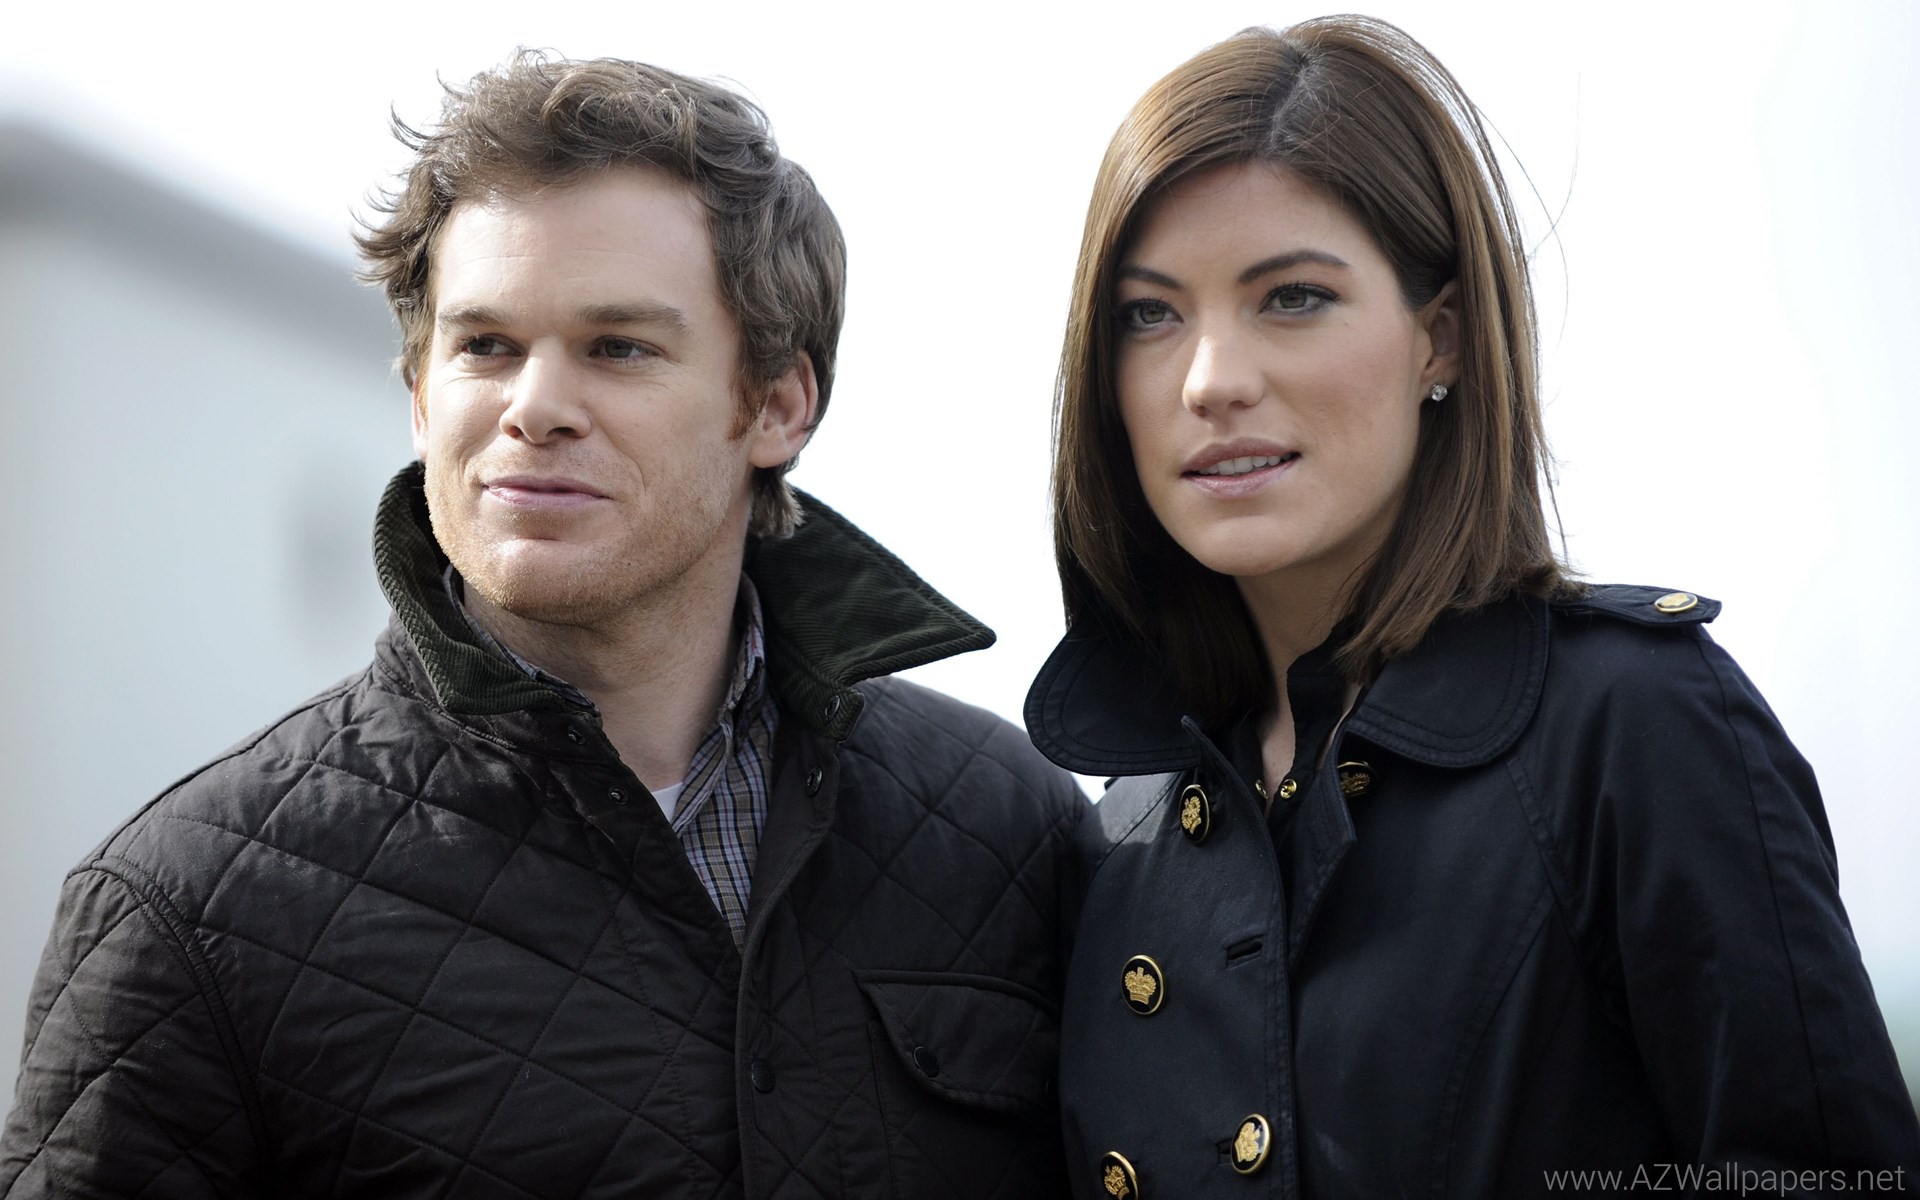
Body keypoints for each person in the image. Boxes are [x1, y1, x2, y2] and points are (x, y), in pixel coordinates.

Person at [0, 52, 1081, 1197]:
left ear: (776, 404)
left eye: (618, 347)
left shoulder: (1009, 828)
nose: (536, 408)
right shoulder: (192, 905)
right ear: (421, 398)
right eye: (485, 347)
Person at [1023, 16, 1920, 1196]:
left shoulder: (1637, 725)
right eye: (1150, 314)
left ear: (1438, 338)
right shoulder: (1112, 841)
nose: (1211, 380)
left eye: (1292, 297)